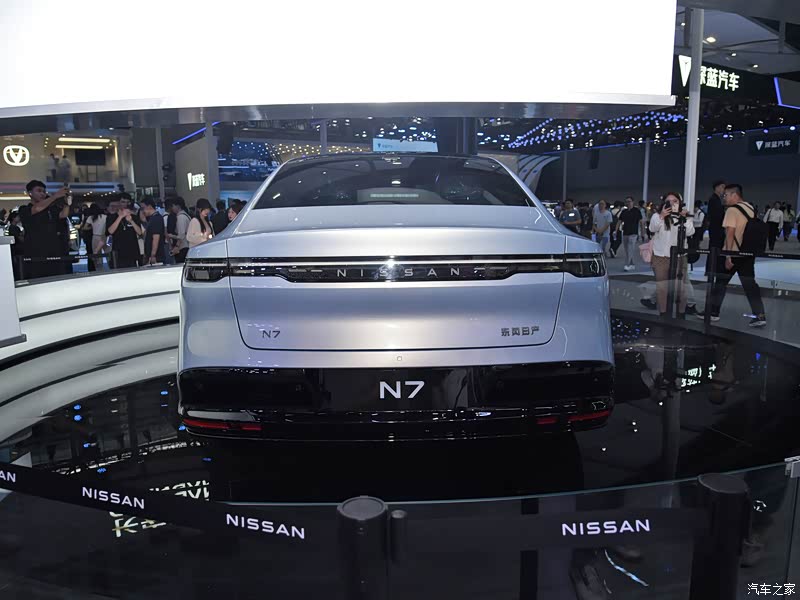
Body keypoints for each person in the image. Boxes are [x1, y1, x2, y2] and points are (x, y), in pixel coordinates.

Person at [701, 184, 766, 327]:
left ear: (734, 195)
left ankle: (713, 312)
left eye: (726, 195)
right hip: (747, 253)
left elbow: (730, 233)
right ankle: (760, 315)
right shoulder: (750, 208)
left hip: (734, 253)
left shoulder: (732, 210)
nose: (724, 198)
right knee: (749, 284)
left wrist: (728, 256)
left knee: (720, 282)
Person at [648, 192, 694, 317]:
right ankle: (664, 314)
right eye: (669, 201)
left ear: (680, 203)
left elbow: (690, 232)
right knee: (662, 288)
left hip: (679, 257)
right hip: (660, 257)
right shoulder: (657, 216)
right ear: (664, 203)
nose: (672, 204)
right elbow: (652, 229)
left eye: (675, 201)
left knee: (680, 289)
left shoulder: (683, 216)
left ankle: (681, 314)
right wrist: (662, 216)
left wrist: (684, 218)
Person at [18, 180, 71, 279]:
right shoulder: (24, 209)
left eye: (44, 191)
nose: (42, 194)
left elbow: (63, 215)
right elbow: (37, 209)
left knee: (56, 278)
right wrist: (55, 196)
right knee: (37, 279)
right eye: (39, 191)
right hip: (35, 252)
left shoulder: (51, 209)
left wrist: (67, 203)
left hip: (54, 250)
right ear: (30, 193)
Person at [107, 196, 144, 269]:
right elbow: (110, 231)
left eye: (127, 202)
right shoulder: (111, 217)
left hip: (132, 251)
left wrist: (131, 221)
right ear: (118, 203)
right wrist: (120, 217)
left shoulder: (134, 217)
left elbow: (140, 232)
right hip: (118, 251)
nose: (125, 204)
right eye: (123, 202)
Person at [617, 196, 642, 271]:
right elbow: (619, 221)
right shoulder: (624, 211)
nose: (628, 203)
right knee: (627, 250)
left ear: (633, 202)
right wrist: (616, 230)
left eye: (629, 201)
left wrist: (642, 232)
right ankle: (632, 264)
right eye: (627, 201)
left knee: (630, 248)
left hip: (633, 232)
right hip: (625, 232)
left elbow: (641, 222)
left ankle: (627, 264)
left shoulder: (636, 211)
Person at [82, 204, 108, 271]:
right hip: (105, 236)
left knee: (97, 256)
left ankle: (99, 271)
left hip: (95, 237)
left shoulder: (91, 217)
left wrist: (92, 227)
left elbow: (84, 228)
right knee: (108, 253)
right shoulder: (105, 216)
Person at [141, 198, 166, 266]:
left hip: (156, 256)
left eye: (143, 208)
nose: (143, 211)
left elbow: (156, 237)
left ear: (149, 206)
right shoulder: (152, 219)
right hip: (152, 255)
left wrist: (153, 255)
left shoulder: (156, 219)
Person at [167, 197, 190, 263]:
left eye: (173, 206)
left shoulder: (180, 217)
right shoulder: (186, 215)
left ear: (178, 206)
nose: (172, 208)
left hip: (183, 247)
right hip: (186, 245)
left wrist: (171, 236)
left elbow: (181, 235)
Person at [706, 180, 725, 252]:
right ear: (717, 188)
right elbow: (716, 215)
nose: (724, 189)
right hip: (716, 229)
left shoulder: (716, 199)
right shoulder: (714, 199)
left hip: (716, 228)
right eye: (722, 187)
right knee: (714, 248)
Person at [7, 210, 24, 280]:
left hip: (15, 250)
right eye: (18, 217)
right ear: (13, 218)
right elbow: (20, 239)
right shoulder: (14, 228)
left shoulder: (12, 227)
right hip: (18, 249)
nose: (19, 218)